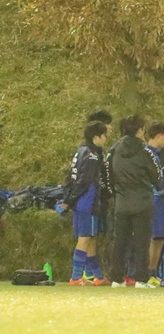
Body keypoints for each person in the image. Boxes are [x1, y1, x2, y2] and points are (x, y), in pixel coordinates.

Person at [106, 115, 161, 288]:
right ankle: (141, 279)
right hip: (142, 201)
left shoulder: (114, 149)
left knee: (119, 242)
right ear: (140, 130)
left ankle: (116, 279)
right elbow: (157, 175)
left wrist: (115, 193)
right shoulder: (145, 151)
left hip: (121, 202)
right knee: (142, 242)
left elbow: (107, 174)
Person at [63, 121, 109, 286]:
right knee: (85, 238)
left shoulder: (81, 151)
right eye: (104, 135)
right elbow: (84, 181)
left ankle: (98, 276)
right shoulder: (92, 155)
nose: (106, 139)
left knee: (91, 239)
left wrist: (69, 199)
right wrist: (70, 200)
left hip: (81, 203)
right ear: (96, 137)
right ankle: (75, 277)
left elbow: (70, 178)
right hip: (87, 202)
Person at [145, 122, 164, 284]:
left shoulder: (156, 154)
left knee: (159, 237)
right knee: (152, 237)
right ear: (159, 136)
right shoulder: (146, 154)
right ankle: (147, 272)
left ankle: (152, 273)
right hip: (150, 199)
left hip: (158, 198)